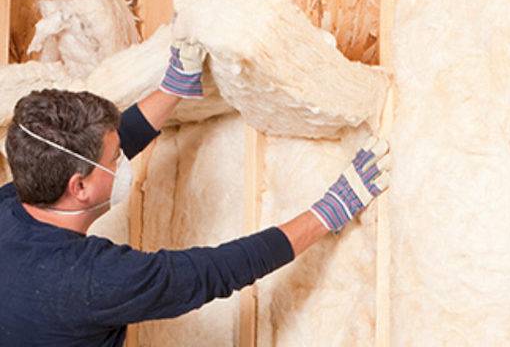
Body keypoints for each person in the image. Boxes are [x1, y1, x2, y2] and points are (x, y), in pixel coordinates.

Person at [0, 32, 390, 346]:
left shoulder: (14, 200)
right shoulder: (90, 280)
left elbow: (90, 154)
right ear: (79, 187)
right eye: (116, 156)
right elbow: (214, 271)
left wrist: (173, 88)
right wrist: (328, 212)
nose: (121, 161)